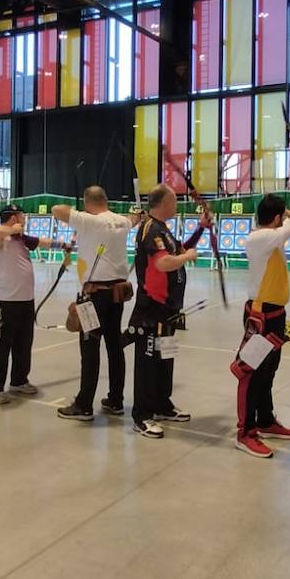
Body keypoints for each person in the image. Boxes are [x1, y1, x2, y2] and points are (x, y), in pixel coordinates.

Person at [229, 193, 290, 458]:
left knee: (268, 370)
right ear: (277, 218)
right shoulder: (260, 238)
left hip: (275, 315)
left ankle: (265, 420)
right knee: (251, 373)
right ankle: (245, 433)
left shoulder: (270, 237)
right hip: (260, 316)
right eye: (281, 216)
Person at [127, 184, 207, 438]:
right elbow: (163, 263)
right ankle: (142, 415)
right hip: (152, 308)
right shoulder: (150, 229)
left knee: (165, 358)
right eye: (173, 200)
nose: (177, 205)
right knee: (148, 363)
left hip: (169, 310)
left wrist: (202, 227)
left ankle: (162, 404)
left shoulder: (164, 230)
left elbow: (179, 249)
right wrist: (188, 257)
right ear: (162, 203)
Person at [52, 187, 136, 422]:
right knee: (114, 347)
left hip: (95, 296)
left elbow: (56, 209)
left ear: (88, 202)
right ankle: (115, 400)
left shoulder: (88, 220)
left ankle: (84, 405)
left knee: (90, 350)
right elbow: (134, 219)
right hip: (117, 296)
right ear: (106, 200)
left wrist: (79, 214)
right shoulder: (121, 222)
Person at [0, 203, 69, 404]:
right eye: (21, 215)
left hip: (25, 301)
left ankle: (19, 381)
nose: (24, 218)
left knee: (23, 344)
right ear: (14, 217)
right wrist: (13, 229)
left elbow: (42, 242)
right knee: (0, 346)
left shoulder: (20, 239)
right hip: (6, 302)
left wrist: (62, 245)